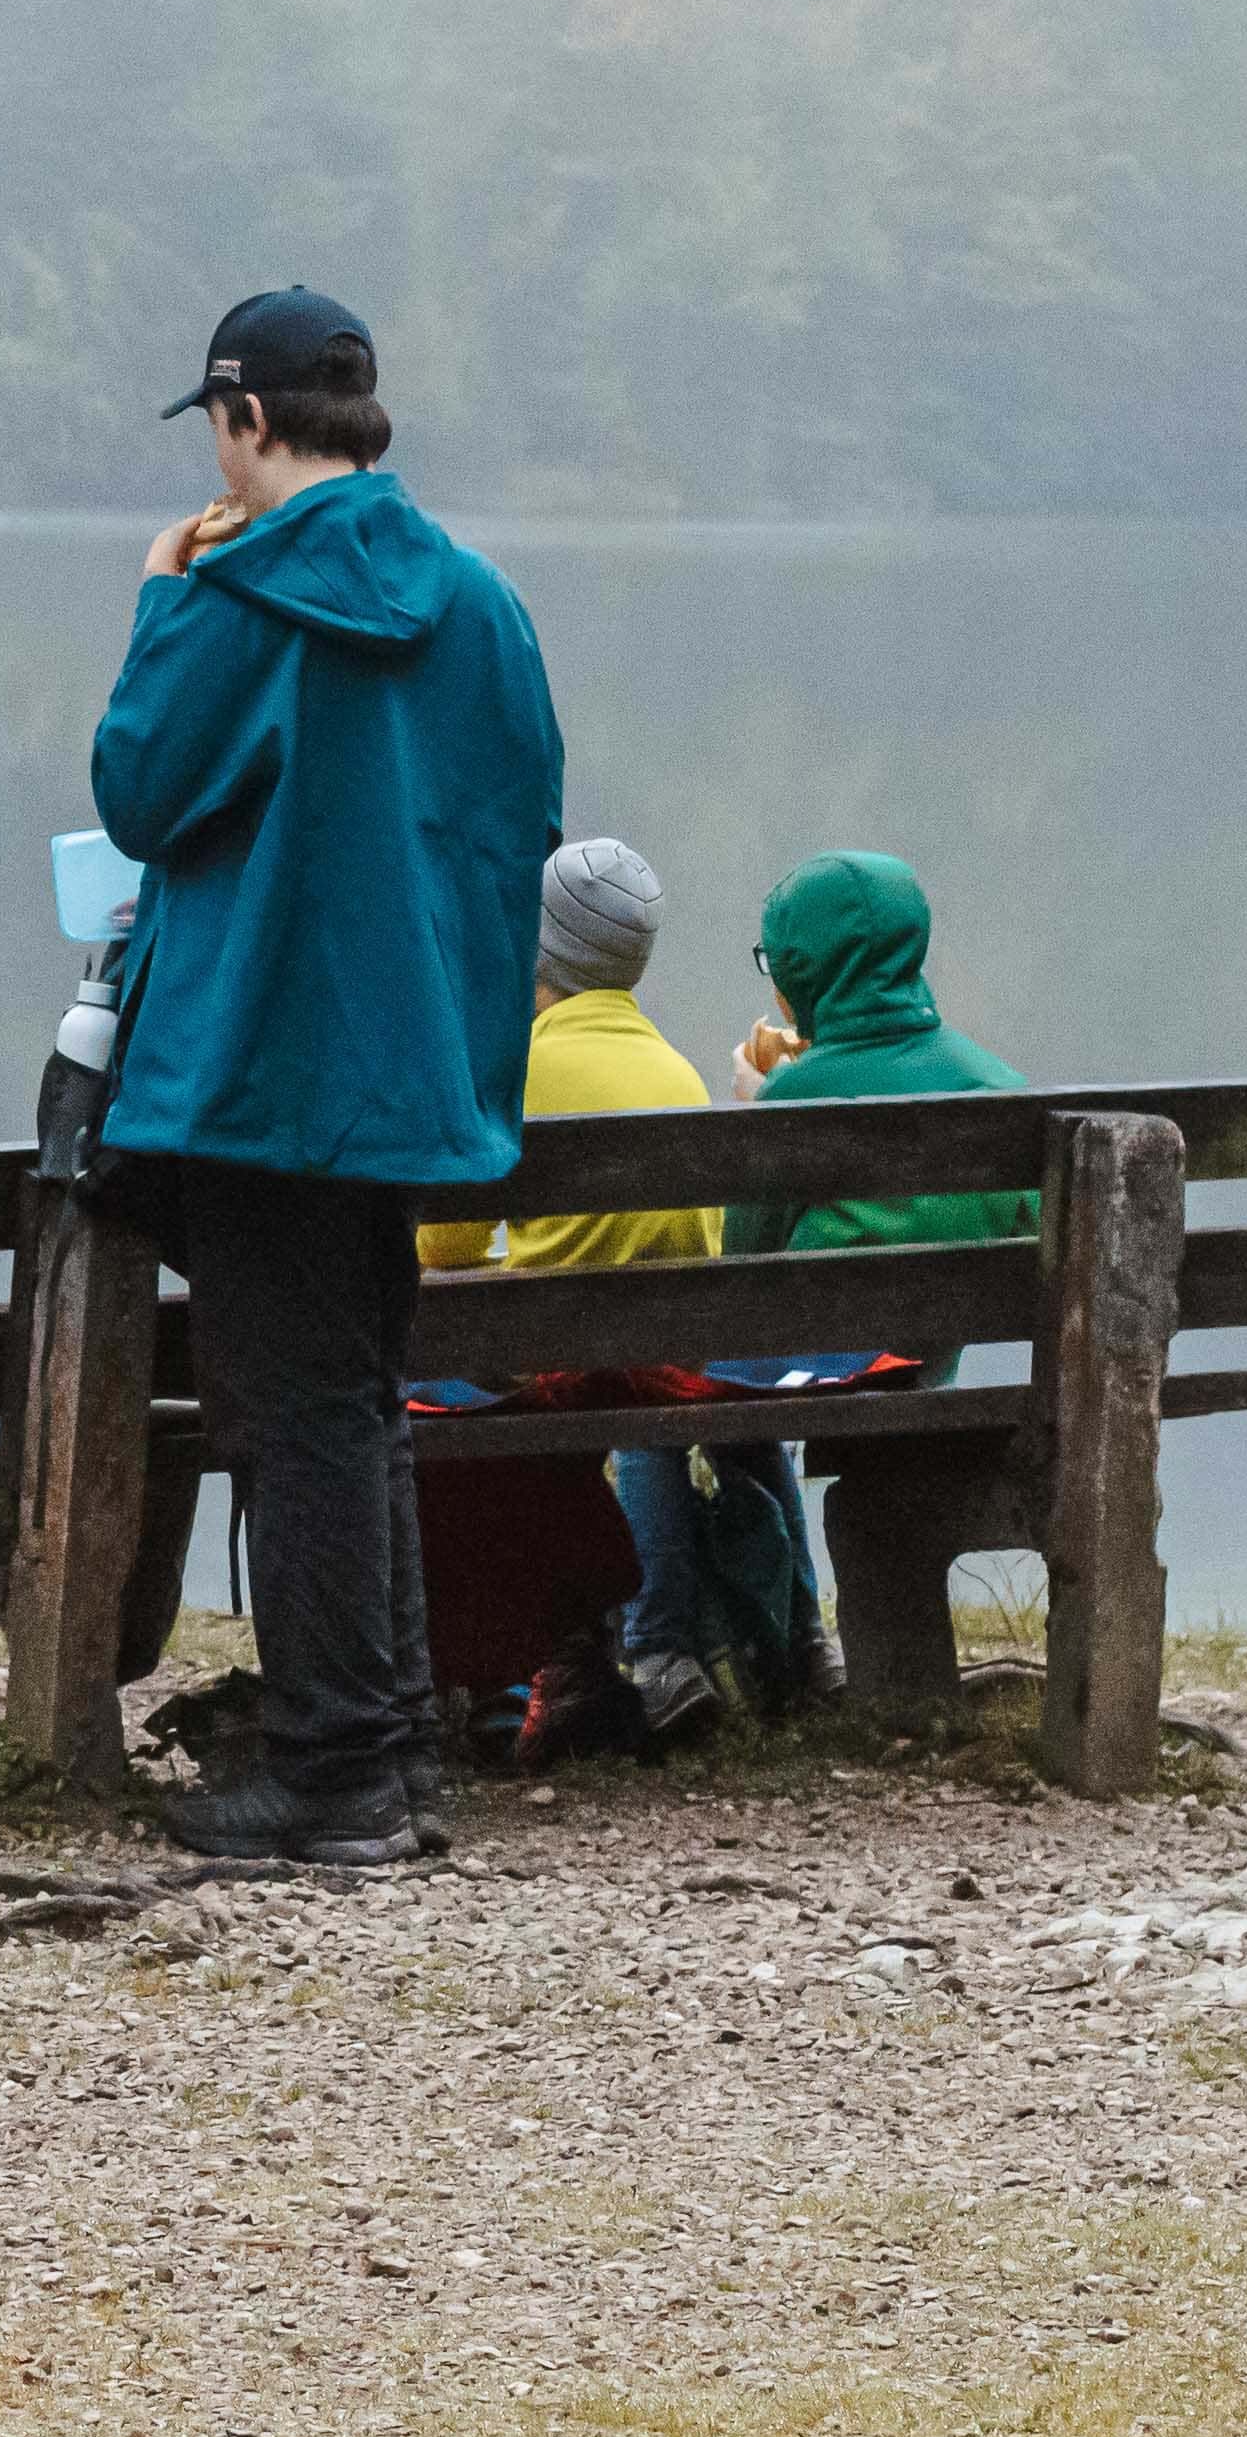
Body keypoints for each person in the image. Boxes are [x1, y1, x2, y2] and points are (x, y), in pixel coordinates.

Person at [89, 285, 563, 1866]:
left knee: (300, 1418)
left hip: (259, 1071)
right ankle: (395, 1752)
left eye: (219, 432)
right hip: (412, 1074)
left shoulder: (237, 599)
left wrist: (161, 600)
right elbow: (522, 825)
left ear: (244, 420)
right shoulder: (482, 601)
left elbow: (142, 793)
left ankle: (332, 1773)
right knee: (357, 1404)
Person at [672, 849, 1034, 1733]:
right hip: (931, 1371)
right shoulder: (999, 1088)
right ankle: (806, 1649)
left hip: (826, 1376)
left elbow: (745, 1276)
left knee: (678, 1397)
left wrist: (761, 1108)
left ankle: (689, 1649)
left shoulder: (795, 1100)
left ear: (806, 970)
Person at [410, 837, 721, 1755]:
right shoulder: (679, 1074)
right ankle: (577, 1656)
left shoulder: (510, 1067)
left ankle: (489, 1677)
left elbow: (447, 1247)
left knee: (437, 1396)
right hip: (666, 1367)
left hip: (553, 1371)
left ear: (534, 947)